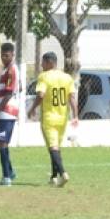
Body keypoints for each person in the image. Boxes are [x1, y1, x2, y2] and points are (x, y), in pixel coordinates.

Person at [27, 52, 78, 187]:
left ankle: (63, 173)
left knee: (53, 147)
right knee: (55, 147)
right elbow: (72, 97)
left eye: (43, 63)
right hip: (63, 118)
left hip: (49, 118)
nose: (41, 66)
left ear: (50, 63)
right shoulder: (67, 77)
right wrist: (76, 116)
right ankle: (54, 177)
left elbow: (41, 95)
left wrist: (32, 109)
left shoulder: (44, 77)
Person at [0, 42, 19, 186]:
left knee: (1, 142)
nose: (4, 58)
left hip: (7, 111)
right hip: (2, 112)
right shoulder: (5, 69)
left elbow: (8, 93)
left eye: (7, 55)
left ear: (12, 55)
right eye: (2, 55)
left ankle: (6, 177)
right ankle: (10, 171)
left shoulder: (12, 70)